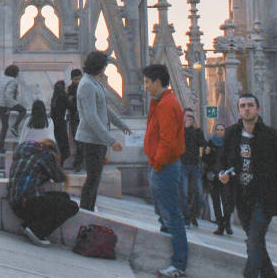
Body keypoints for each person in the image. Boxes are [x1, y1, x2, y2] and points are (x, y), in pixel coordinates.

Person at [218, 94, 277, 278]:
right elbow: (222, 161)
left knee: (253, 242)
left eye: (250, 105)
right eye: (243, 106)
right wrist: (223, 174)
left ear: (258, 109)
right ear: (239, 111)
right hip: (242, 197)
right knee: (256, 243)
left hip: (266, 198)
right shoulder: (231, 134)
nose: (246, 109)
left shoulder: (272, 136)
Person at [142, 64, 189, 278]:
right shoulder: (161, 102)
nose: (145, 87)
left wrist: (158, 163)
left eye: (147, 82)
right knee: (164, 211)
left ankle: (179, 264)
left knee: (172, 213)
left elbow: (167, 140)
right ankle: (168, 243)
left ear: (157, 82)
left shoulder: (167, 104)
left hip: (165, 165)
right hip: (159, 163)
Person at [75, 50, 132, 212]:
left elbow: (104, 108)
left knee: (95, 178)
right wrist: (111, 140)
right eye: (104, 66)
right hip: (91, 139)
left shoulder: (94, 82)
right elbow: (91, 117)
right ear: (98, 66)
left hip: (97, 139)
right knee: (92, 179)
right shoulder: (86, 85)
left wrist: (121, 125)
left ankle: (89, 210)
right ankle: (86, 212)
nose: (105, 69)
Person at [7, 136, 79, 246]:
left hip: (16, 204)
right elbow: (59, 178)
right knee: (72, 207)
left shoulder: (23, 151)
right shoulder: (45, 155)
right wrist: (56, 165)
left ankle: (28, 225)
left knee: (63, 197)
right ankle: (36, 230)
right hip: (29, 203)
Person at [205, 121, 233, 236]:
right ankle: (220, 224)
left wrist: (228, 172)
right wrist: (207, 154)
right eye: (218, 130)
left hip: (225, 176)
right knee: (216, 201)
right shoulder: (210, 143)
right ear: (215, 131)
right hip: (213, 176)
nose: (220, 132)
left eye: (222, 130)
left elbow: (232, 160)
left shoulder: (228, 144)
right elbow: (205, 160)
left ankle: (227, 223)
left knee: (227, 202)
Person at [181, 109, 207, 227]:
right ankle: (186, 218)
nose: (190, 119)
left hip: (195, 165)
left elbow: (203, 143)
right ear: (183, 117)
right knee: (185, 193)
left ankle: (192, 214)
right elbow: (178, 142)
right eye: (187, 116)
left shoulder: (196, 131)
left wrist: (198, 130)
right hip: (183, 165)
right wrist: (185, 128)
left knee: (199, 194)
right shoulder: (180, 130)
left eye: (192, 116)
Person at [0, 64, 27, 153]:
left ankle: (0, 148)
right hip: (5, 104)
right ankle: (15, 126)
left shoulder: (2, 78)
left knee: (5, 126)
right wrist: (9, 107)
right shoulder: (12, 81)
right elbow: (8, 95)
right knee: (23, 110)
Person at [50, 80, 71, 163]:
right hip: (61, 122)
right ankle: (63, 157)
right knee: (63, 141)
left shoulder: (54, 97)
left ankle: (60, 158)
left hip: (54, 122)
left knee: (59, 141)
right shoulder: (63, 96)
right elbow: (70, 106)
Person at [67, 69, 83, 169]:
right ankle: (78, 163)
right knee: (78, 141)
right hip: (74, 118)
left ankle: (78, 163)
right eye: (75, 79)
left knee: (82, 142)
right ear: (72, 79)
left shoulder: (85, 87)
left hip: (84, 118)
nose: (77, 81)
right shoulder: (69, 89)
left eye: (79, 79)